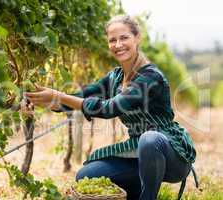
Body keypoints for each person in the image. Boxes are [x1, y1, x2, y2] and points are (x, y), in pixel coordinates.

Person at [22, 15, 197, 200]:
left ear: (137, 37)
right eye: (112, 40)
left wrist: (58, 95)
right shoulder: (115, 77)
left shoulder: (150, 77)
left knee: (149, 139)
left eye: (124, 38)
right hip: (138, 150)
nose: (118, 44)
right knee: (86, 175)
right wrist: (42, 101)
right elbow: (82, 96)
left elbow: (110, 109)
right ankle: (136, 193)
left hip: (171, 153)